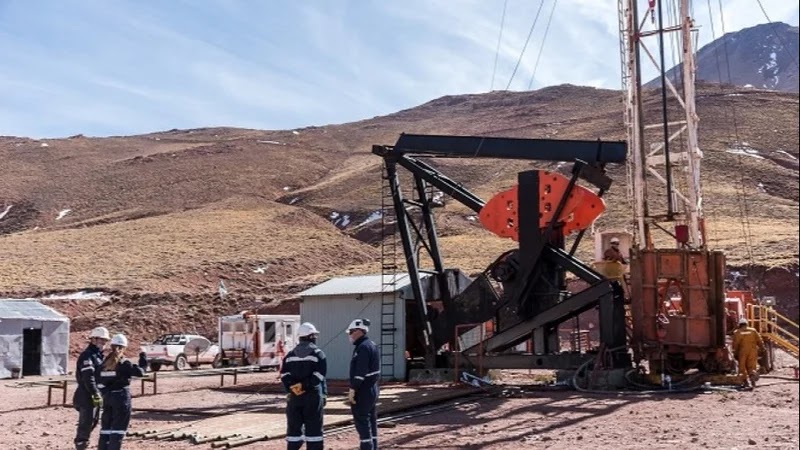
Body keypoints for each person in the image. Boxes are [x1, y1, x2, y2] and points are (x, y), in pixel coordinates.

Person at [280, 322, 327, 450]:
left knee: (294, 430)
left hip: (294, 397)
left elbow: (284, 375)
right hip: (312, 397)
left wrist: (293, 388)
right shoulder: (318, 354)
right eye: (314, 335)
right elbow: (319, 376)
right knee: (314, 431)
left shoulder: (289, 355)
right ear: (311, 336)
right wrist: (305, 386)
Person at [97, 333, 145, 450]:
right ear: (124, 347)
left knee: (106, 429)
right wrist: (143, 356)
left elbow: (98, 380)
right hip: (121, 398)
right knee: (117, 430)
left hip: (107, 398)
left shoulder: (104, 363)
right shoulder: (124, 363)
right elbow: (141, 372)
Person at [73, 326, 110, 450]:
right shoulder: (87, 355)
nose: (103, 343)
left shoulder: (98, 356)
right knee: (86, 423)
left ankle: (83, 443)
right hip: (86, 395)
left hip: (94, 393)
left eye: (105, 340)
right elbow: (88, 377)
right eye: (101, 340)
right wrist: (95, 393)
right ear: (93, 339)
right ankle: (81, 445)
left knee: (93, 421)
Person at [346, 318, 380, 450]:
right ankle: (373, 446)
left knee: (362, 421)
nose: (350, 335)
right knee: (371, 420)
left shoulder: (363, 347)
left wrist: (353, 389)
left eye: (351, 332)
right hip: (372, 388)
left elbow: (360, 372)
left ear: (359, 331)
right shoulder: (371, 345)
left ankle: (367, 447)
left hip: (364, 390)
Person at [732, 317, 765, 388]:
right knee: (752, 366)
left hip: (742, 352)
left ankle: (745, 382)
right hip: (752, 351)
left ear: (740, 324)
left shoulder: (737, 332)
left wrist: (735, 353)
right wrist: (762, 348)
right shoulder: (753, 330)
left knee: (742, 367)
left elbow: (735, 344)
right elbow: (759, 340)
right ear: (746, 324)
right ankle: (752, 380)